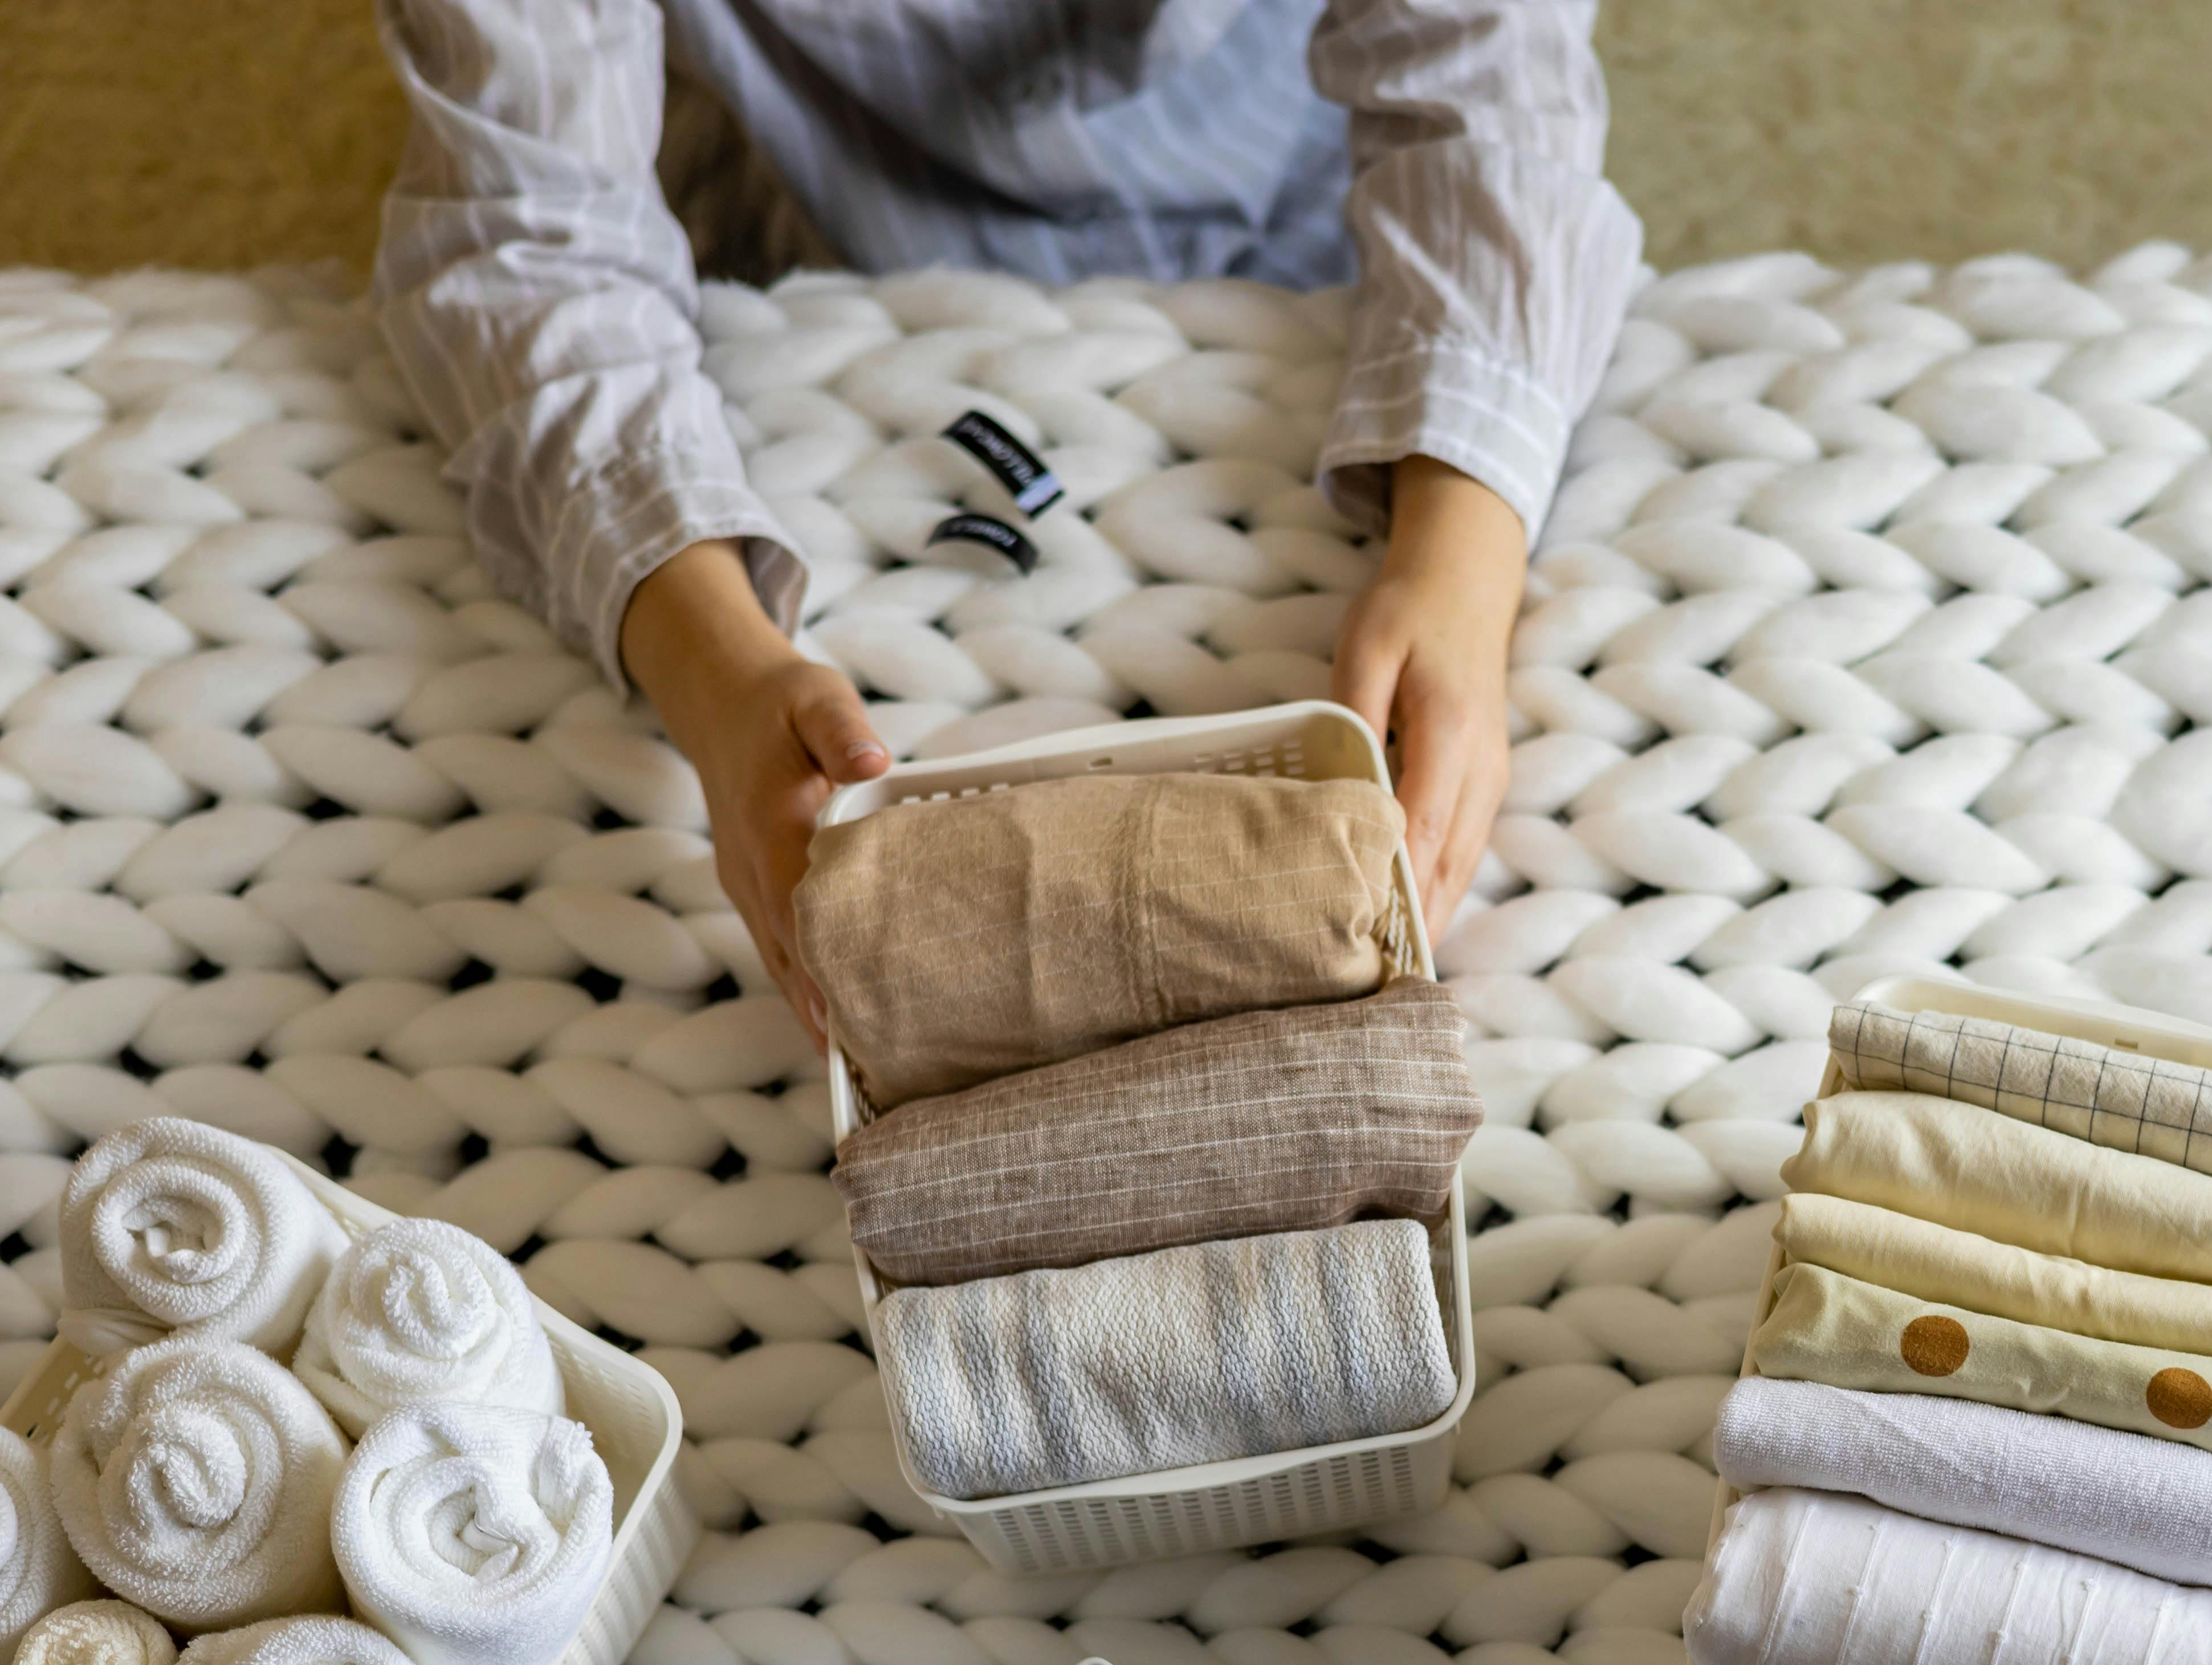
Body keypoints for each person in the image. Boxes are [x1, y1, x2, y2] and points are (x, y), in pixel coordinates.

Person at [369, 0, 1640, 1043]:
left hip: (1319, 184)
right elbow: (525, 230)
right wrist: (709, 659)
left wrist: (1463, 545)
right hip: (819, 211)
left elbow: (1489, 64)